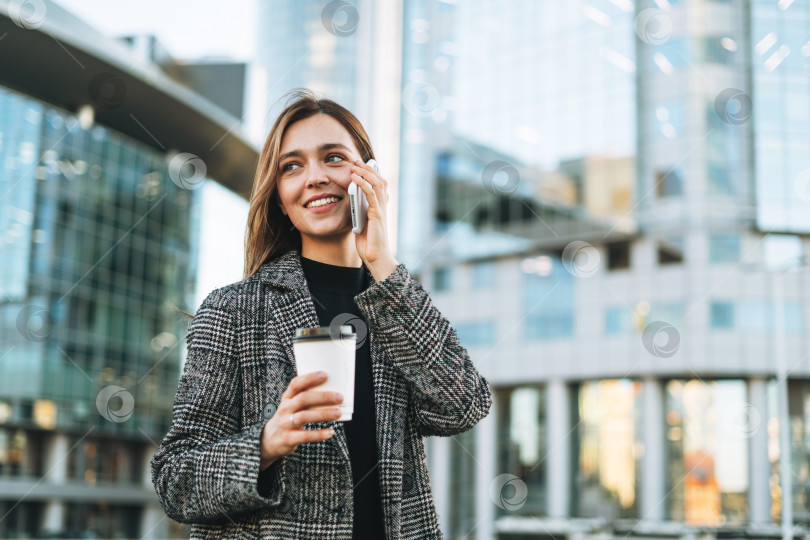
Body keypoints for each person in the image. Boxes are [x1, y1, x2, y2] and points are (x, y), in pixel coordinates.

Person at [150, 88, 493, 539]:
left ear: (367, 175)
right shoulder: (234, 310)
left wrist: (383, 264)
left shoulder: (398, 302)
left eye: (333, 157)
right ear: (278, 194)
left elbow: (463, 406)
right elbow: (176, 481)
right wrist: (266, 443)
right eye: (291, 166)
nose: (314, 177)